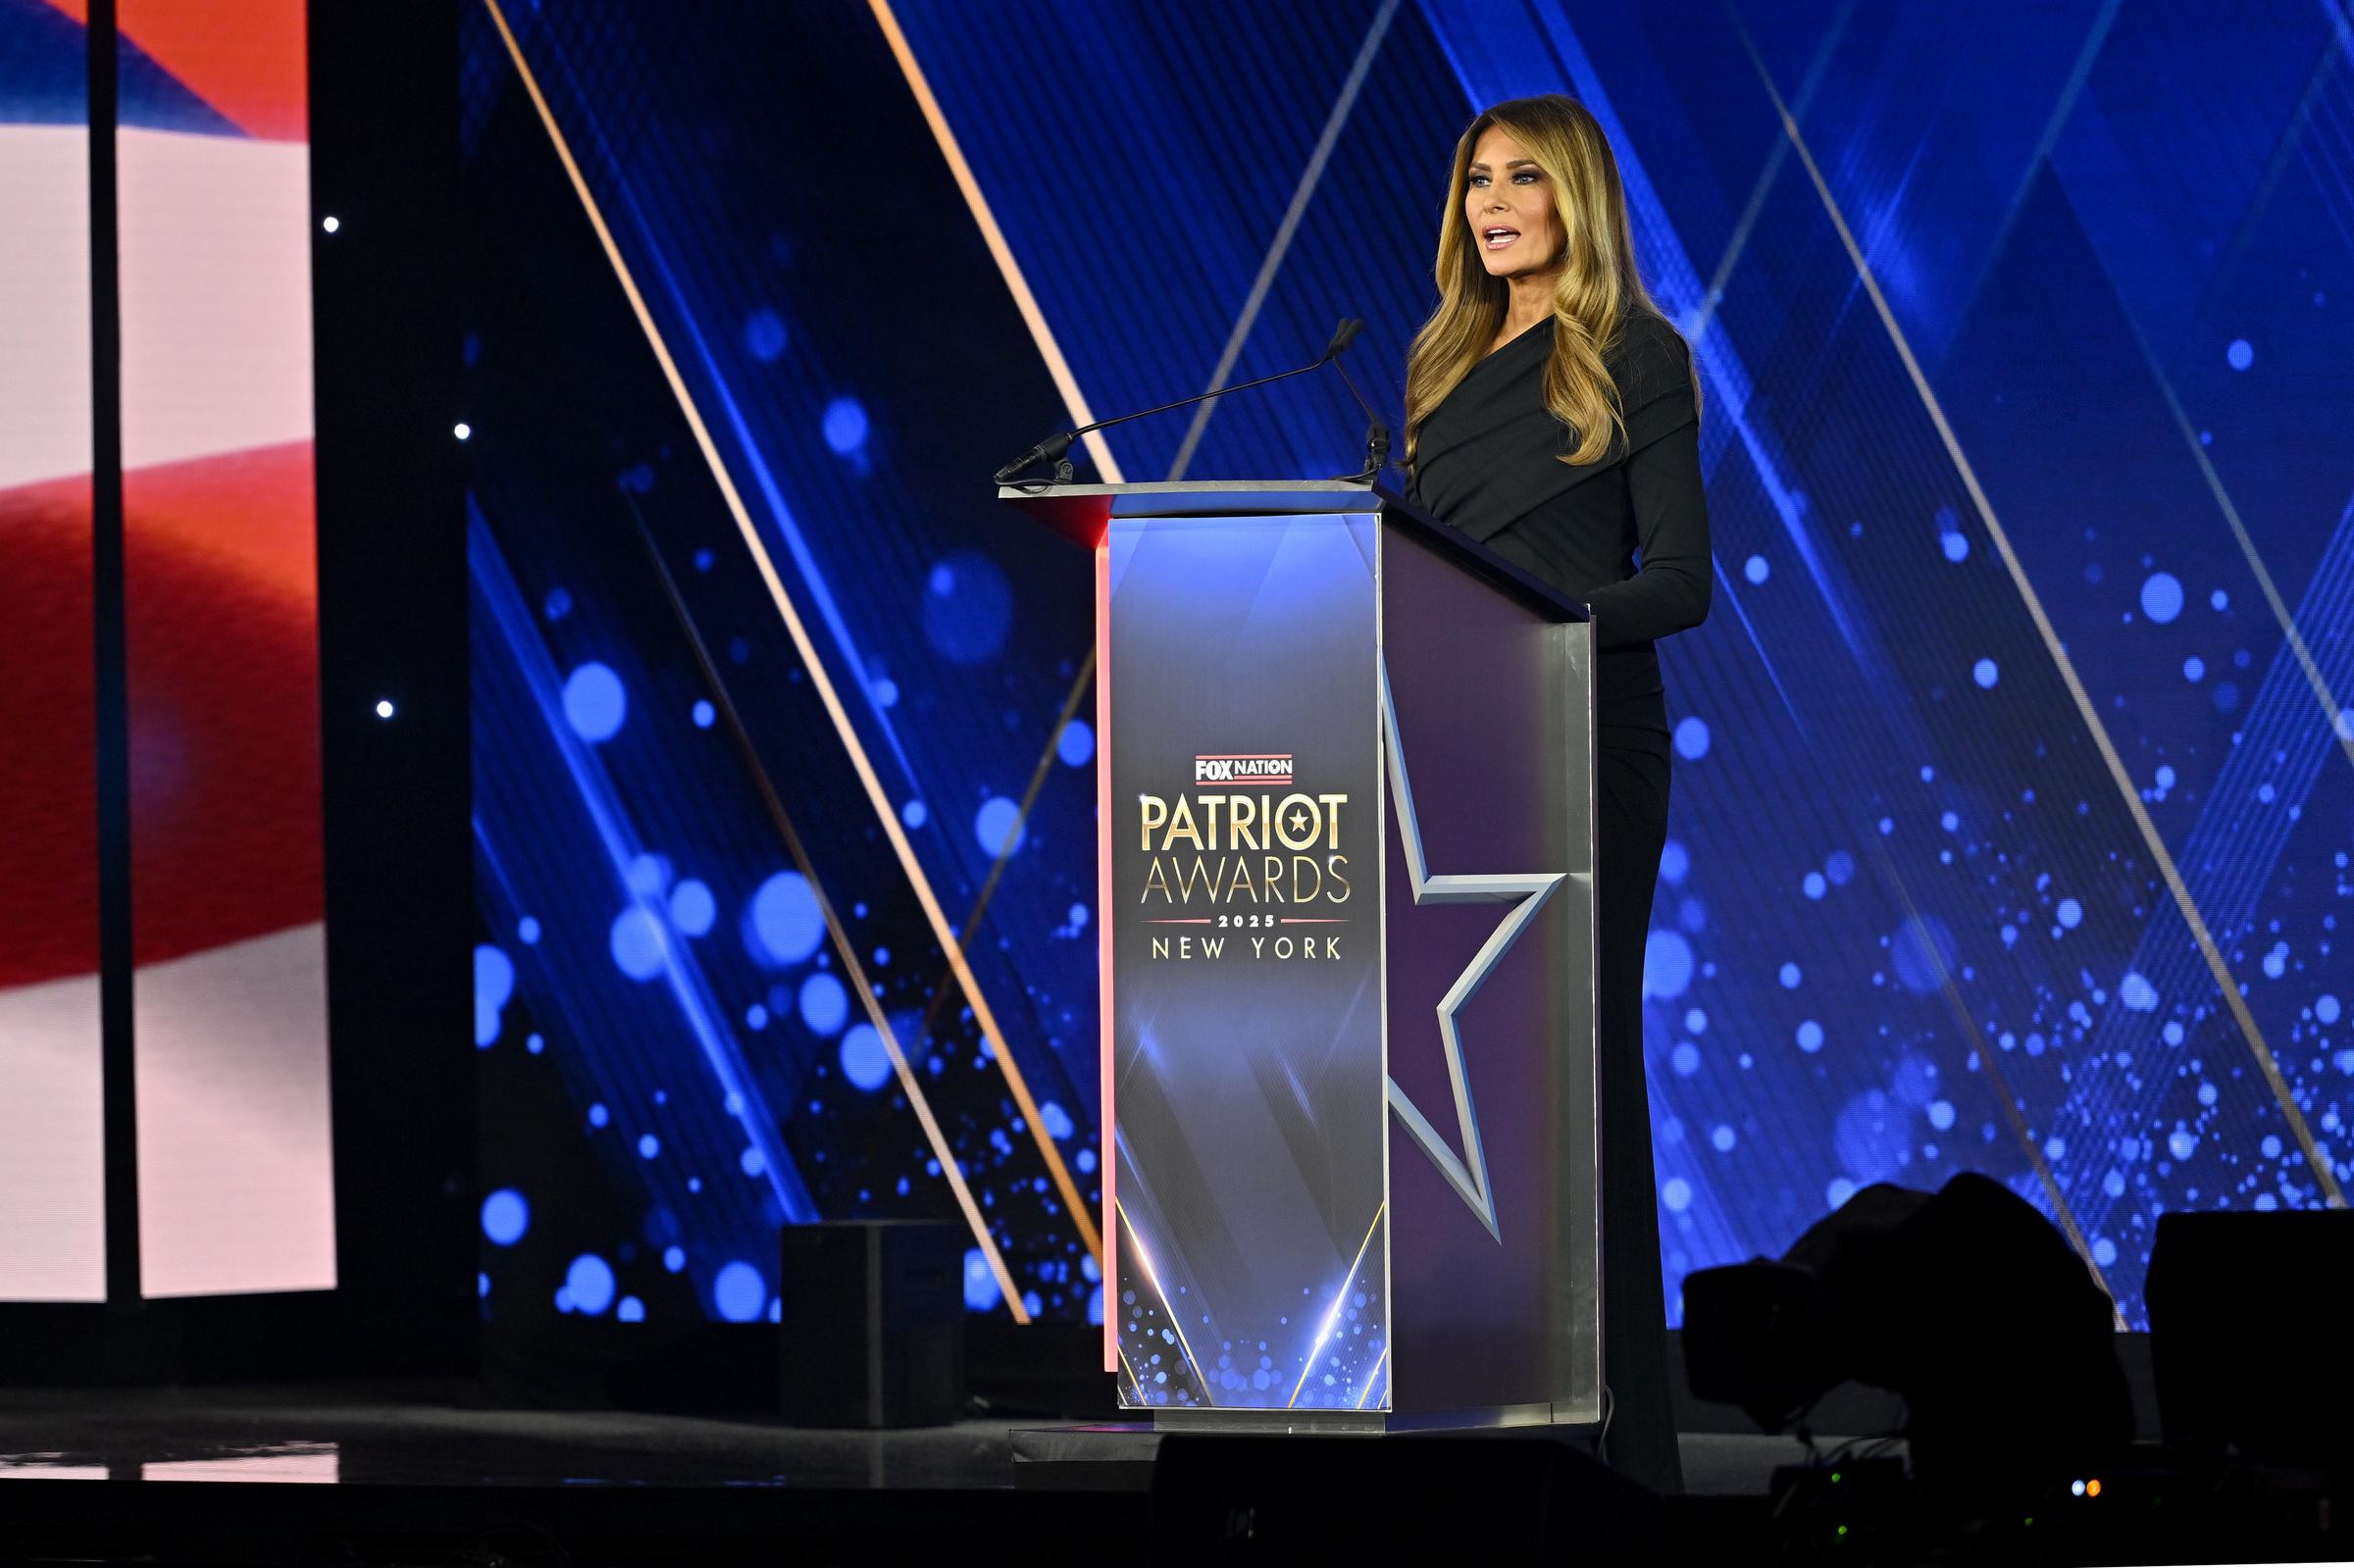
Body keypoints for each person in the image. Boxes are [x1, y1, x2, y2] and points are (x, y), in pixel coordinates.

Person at [1404, 93, 1711, 1496]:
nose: (1495, 201)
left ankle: (1612, 1449)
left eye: (1524, 176)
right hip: (1450, 750)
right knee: (1459, 1089)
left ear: (1577, 193)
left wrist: (1525, 618)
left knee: (1569, 1083)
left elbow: (1677, 583)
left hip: (1586, 740)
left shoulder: (1637, 354)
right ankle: (1475, 1421)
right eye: (1478, 180)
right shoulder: (1442, 360)